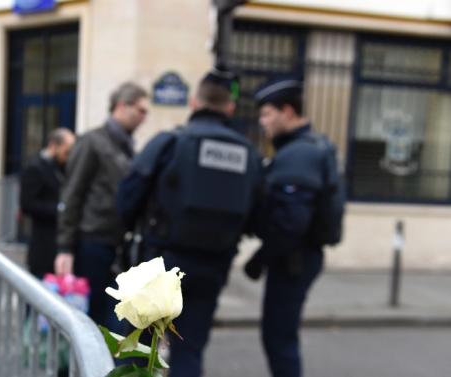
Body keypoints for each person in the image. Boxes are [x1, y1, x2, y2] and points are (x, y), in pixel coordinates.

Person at [117, 66, 263, 377]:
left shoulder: (169, 142)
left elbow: (127, 198)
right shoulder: (249, 155)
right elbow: (258, 217)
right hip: (212, 268)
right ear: (230, 108)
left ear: (194, 102)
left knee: (138, 347)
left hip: (161, 265)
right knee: (189, 352)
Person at [244, 77, 344, 377]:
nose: (263, 122)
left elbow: (291, 223)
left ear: (287, 111)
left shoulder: (299, 154)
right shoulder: (311, 147)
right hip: (298, 256)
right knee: (280, 335)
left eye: (266, 114)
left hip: (293, 259)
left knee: (279, 337)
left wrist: (259, 259)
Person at [54, 82, 149, 330]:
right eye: (140, 110)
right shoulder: (92, 142)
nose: (144, 117)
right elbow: (72, 193)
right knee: (92, 320)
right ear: (121, 106)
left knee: (112, 321)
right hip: (91, 243)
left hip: (117, 246)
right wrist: (65, 247)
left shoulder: (127, 147)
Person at [20, 128, 76, 279]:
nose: (68, 155)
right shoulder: (35, 167)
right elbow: (27, 204)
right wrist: (59, 209)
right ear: (53, 145)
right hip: (43, 244)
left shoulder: (61, 167)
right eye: (66, 151)